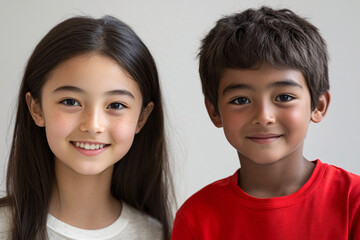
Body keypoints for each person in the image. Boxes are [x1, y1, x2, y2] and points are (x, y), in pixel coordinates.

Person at [171, 6, 360, 240]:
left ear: (318, 106)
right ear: (214, 112)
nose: (263, 116)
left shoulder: (354, 202)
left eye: (284, 97)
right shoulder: (196, 218)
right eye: (241, 100)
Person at [0, 15, 174, 240]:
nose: (93, 125)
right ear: (37, 109)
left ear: (142, 117)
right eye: (71, 102)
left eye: (116, 105)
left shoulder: (155, 234)